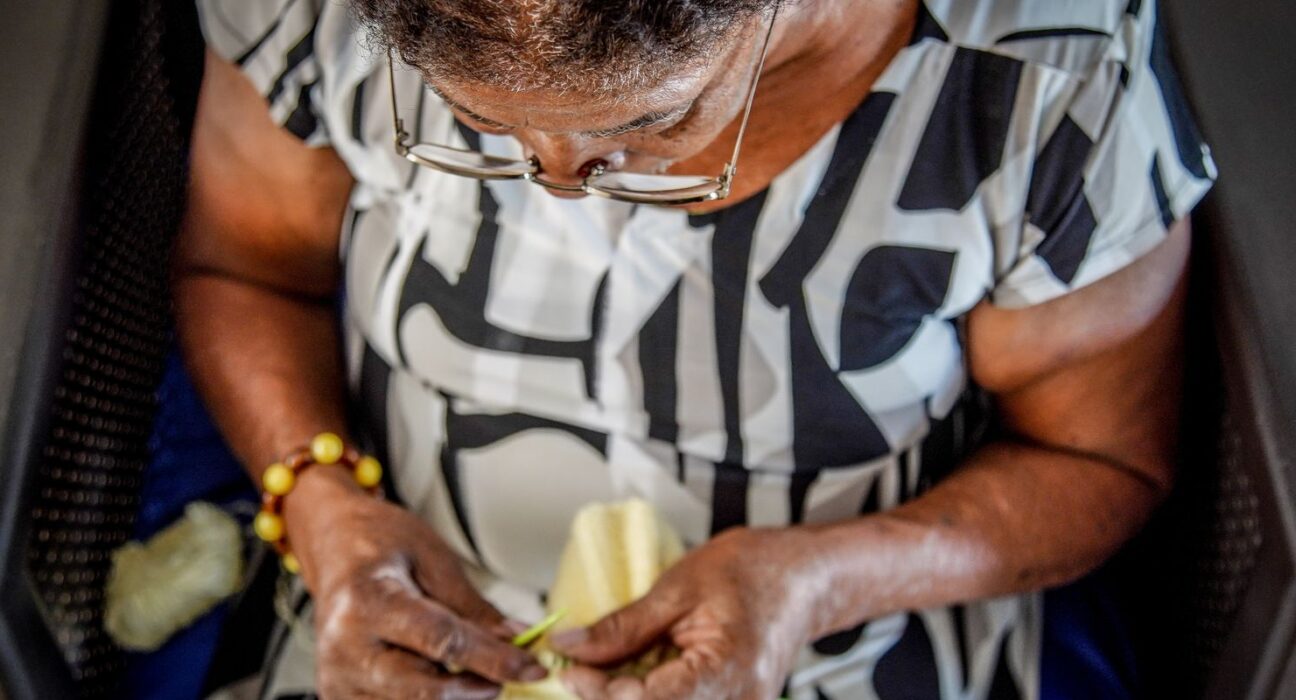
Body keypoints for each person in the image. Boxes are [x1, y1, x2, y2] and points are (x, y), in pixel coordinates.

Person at [180, 0, 1215, 697]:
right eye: (472, 118)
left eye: (647, 124)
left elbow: (1100, 457)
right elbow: (246, 271)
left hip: (835, 647)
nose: (554, 181)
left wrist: (814, 581)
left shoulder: (1044, 83)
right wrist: (319, 500)